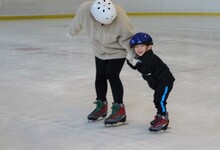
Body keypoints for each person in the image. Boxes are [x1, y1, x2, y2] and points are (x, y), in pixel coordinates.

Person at [67, 0, 134, 125]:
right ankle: (101, 105)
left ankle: (119, 109)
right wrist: (72, 31)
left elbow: (128, 37)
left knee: (112, 75)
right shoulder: (84, 10)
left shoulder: (121, 18)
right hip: (99, 49)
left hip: (117, 50)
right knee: (100, 75)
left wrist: (132, 53)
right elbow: (77, 22)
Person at [127, 32, 175, 132]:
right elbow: (140, 68)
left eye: (142, 46)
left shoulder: (149, 58)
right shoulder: (143, 56)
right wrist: (132, 62)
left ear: (149, 47)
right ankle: (159, 115)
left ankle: (163, 118)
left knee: (160, 100)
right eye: (136, 47)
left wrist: (132, 63)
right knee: (157, 99)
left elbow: (144, 70)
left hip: (165, 82)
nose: (139, 49)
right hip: (158, 83)